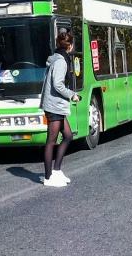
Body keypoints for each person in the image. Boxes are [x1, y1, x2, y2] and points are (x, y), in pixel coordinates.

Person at [40, 29, 80, 187]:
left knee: (68, 136)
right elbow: (58, 84)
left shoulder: (57, 58)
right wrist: (72, 95)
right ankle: (48, 177)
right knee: (51, 141)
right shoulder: (61, 61)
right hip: (54, 105)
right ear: (70, 46)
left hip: (56, 105)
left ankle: (56, 171)